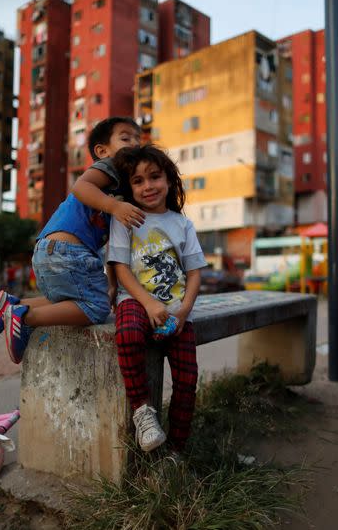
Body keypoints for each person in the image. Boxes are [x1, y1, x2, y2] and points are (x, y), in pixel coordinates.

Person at [0, 117, 145, 363]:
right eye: (125, 138)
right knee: (96, 308)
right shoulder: (111, 167)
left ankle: (12, 305)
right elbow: (80, 186)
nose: (135, 144)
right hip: (69, 250)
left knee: (68, 302)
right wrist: (113, 206)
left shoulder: (121, 193)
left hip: (50, 250)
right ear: (102, 150)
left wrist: (111, 285)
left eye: (138, 139)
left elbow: (113, 248)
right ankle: (24, 316)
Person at [108, 145, 207, 454]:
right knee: (126, 335)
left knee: (187, 380)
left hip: (176, 310)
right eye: (138, 181)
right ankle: (142, 412)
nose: (148, 186)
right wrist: (148, 304)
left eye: (154, 177)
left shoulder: (182, 224)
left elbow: (193, 273)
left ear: (169, 180)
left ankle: (176, 451)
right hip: (134, 300)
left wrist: (183, 311)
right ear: (130, 187)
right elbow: (121, 269)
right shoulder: (126, 219)